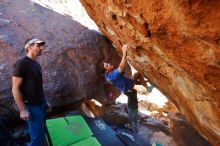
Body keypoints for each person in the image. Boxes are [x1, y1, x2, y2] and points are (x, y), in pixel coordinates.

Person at [103, 45, 153, 132]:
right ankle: (133, 125)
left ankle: (147, 88)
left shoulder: (109, 75)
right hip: (129, 90)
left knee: (137, 74)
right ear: (107, 70)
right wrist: (124, 53)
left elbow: (121, 69)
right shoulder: (111, 76)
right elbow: (121, 67)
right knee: (133, 107)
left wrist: (126, 59)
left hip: (130, 84)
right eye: (107, 65)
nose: (109, 64)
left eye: (108, 63)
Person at [12, 38, 51, 146]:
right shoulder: (22, 63)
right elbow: (15, 88)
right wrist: (22, 110)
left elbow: (37, 86)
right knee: (37, 138)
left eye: (41, 46)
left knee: (41, 133)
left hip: (40, 104)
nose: (41, 48)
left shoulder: (36, 65)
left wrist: (45, 102)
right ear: (29, 47)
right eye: (38, 45)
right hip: (31, 106)